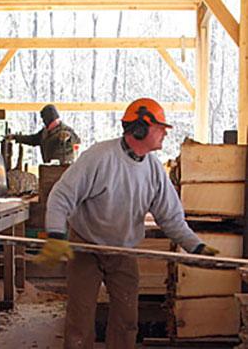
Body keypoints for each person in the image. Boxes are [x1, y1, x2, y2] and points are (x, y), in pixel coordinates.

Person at [34, 98, 219, 349]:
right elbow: (61, 196)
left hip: (123, 250)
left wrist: (195, 246)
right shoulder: (99, 157)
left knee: (127, 320)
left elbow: (171, 217)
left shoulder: (153, 170)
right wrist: (57, 234)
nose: (165, 132)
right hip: (86, 246)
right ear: (140, 128)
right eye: (160, 127)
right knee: (80, 320)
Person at [6, 104, 80, 164]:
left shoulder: (65, 130)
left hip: (64, 170)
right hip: (49, 168)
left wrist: (68, 137)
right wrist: (15, 137)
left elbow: (76, 139)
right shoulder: (45, 132)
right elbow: (32, 139)